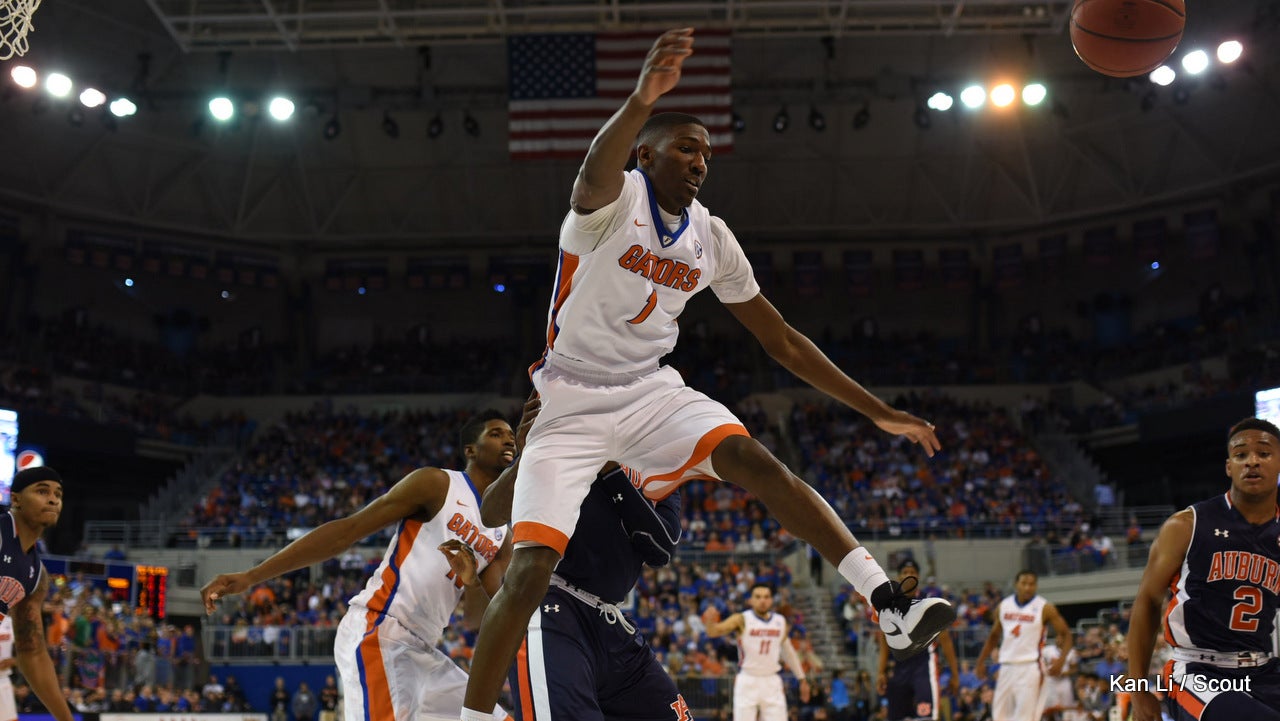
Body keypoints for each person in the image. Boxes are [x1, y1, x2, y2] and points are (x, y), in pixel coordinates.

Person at [460, 27, 954, 721]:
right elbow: (590, 173)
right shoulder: (609, 207)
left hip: (648, 388)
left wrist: (875, 410)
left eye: (707, 152)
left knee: (756, 459)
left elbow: (781, 338)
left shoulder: (711, 237)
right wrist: (640, 97)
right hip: (569, 397)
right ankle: (471, 716)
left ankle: (887, 601)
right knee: (532, 569)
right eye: (686, 147)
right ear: (645, 155)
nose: (700, 161)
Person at [201, 410, 523, 721]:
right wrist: (252, 575)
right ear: (471, 450)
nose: (508, 441)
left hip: (423, 651)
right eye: (496, 434)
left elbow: (477, 619)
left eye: (511, 435)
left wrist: (471, 581)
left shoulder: (502, 534)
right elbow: (347, 531)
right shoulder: (437, 484)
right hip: (380, 630)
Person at [481, 458, 690, 721]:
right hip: (554, 600)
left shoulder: (662, 464)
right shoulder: (577, 432)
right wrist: (526, 452)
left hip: (610, 617)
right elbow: (489, 514)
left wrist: (612, 473)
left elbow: (661, 549)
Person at [1125, 418, 1280, 721]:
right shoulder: (1187, 525)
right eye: (1240, 455)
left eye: (1263, 453)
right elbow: (1146, 602)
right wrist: (1137, 687)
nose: (1251, 462)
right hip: (1197, 671)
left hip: (1262, 669)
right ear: (1228, 467)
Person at [0, 467, 78, 721]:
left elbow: (32, 652)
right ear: (16, 499)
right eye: (42, 491)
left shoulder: (36, 575)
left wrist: (65, 719)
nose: (53, 499)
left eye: (58, 494)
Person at [702, 582, 811, 721]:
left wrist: (802, 679)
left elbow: (789, 652)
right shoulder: (741, 619)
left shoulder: (780, 621)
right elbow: (713, 632)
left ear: (771, 600)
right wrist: (710, 621)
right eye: (758, 597)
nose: (762, 600)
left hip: (772, 679)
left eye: (766, 597)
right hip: (748, 679)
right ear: (751, 600)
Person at [974, 570, 1072, 721]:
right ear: (1016, 584)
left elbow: (1066, 635)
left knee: (1025, 718)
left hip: (1030, 667)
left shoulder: (1044, 607)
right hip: (1006, 666)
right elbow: (994, 636)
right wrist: (980, 661)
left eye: (1031, 584)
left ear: (1036, 586)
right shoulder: (1004, 606)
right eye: (1024, 583)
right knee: (999, 716)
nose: (1027, 588)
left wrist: (1062, 660)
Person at [875, 560, 960, 721]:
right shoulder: (889, 604)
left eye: (912, 572)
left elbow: (945, 640)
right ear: (899, 577)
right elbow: (884, 638)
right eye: (905, 572)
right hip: (899, 669)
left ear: (918, 576)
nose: (909, 575)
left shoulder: (928, 602)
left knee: (926, 717)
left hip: (924, 667)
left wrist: (955, 675)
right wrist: (881, 671)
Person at [1038, 637, 1077, 720]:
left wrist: (1063, 673)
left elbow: (1074, 669)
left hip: (1064, 681)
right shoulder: (1048, 650)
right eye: (1057, 638)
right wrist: (1047, 670)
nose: (1058, 640)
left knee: (1067, 706)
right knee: (1049, 707)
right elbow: (1040, 661)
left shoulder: (1071, 652)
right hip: (1050, 681)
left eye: (1061, 638)